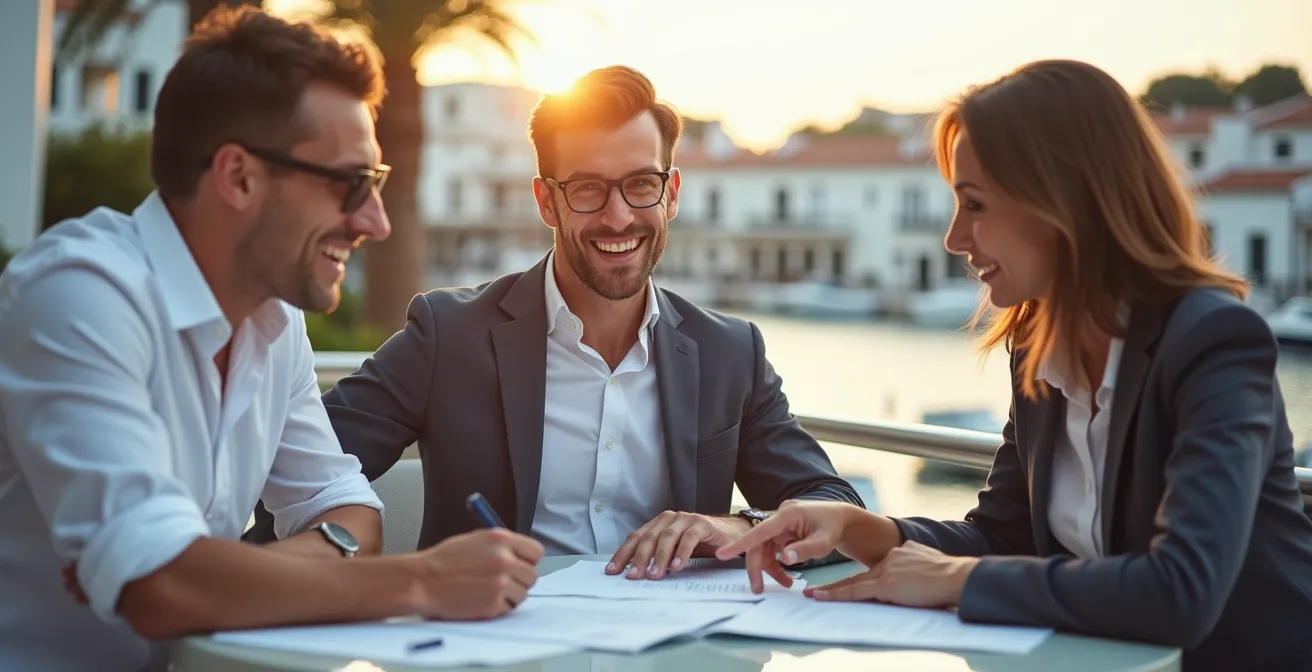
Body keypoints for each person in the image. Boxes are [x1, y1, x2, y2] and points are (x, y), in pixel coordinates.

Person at [716, 59, 1312, 672]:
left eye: (974, 204)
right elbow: (1002, 538)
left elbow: (1182, 590)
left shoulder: (1213, 341)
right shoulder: (1037, 342)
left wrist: (958, 580)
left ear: (1065, 201)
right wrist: (857, 528)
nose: (954, 237)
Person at [0, 8, 542, 671]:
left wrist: (210, 575)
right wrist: (425, 580)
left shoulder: (274, 321)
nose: (375, 222)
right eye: (351, 184)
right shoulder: (78, 295)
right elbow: (160, 589)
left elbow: (348, 512)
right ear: (238, 176)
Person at [245, 64, 863, 580]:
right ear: (547, 201)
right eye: (588, 188)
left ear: (671, 192)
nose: (618, 217)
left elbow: (838, 510)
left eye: (641, 185)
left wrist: (736, 526)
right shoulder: (448, 335)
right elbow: (296, 488)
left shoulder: (730, 351)